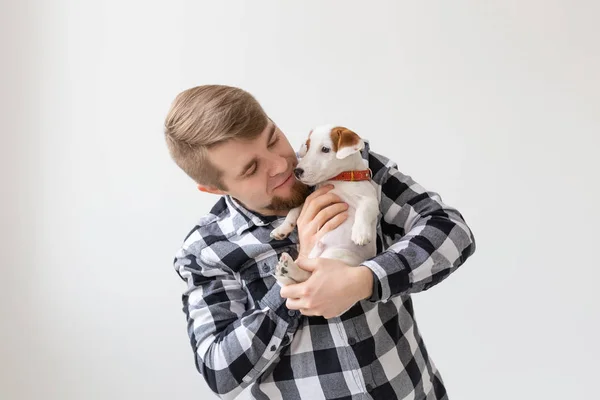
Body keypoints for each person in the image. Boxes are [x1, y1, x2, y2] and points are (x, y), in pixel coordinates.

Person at [164, 85, 476, 400]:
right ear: (216, 189)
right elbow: (220, 373)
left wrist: (363, 280)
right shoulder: (206, 251)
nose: (282, 165)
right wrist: (296, 274)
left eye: (273, 139)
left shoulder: (350, 166)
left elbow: (451, 231)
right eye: (251, 169)